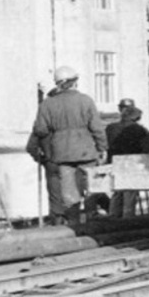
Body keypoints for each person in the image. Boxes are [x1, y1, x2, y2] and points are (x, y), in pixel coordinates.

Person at [32, 65, 107, 226]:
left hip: (62, 154)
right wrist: (102, 147)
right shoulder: (85, 100)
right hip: (86, 151)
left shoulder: (47, 104)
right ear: (74, 82)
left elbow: (41, 129)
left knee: (69, 192)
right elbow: (97, 128)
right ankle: (92, 220)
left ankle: (74, 224)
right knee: (92, 186)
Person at [105, 98, 149, 217]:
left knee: (117, 190)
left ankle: (113, 214)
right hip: (132, 162)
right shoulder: (140, 130)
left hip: (114, 162)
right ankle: (128, 215)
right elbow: (147, 148)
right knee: (129, 190)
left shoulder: (110, 128)